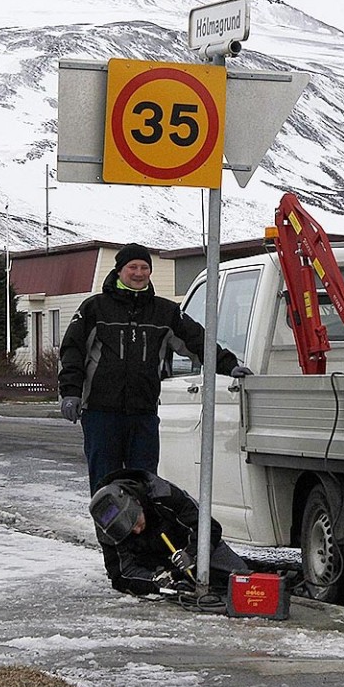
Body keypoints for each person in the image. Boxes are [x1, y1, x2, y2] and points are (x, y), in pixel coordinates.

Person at [58, 242, 250, 494]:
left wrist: (229, 364)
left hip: (143, 414)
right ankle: (108, 533)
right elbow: (73, 350)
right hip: (101, 414)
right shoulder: (94, 308)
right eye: (132, 267)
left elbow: (197, 341)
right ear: (119, 271)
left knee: (144, 484)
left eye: (144, 267)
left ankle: (142, 533)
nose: (138, 273)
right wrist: (70, 393)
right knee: (106, 485)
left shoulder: (165, 312)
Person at [89, 468, 249, 596]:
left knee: (242, 579)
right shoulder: (107, 526)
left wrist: (192, 554)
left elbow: (210, 527)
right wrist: (153, 581)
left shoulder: (163, 494)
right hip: (151, 564)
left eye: (136, 523)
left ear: (137, 503)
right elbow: (120, 575)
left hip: (188, 546)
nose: (137, 531)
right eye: (130, 531)